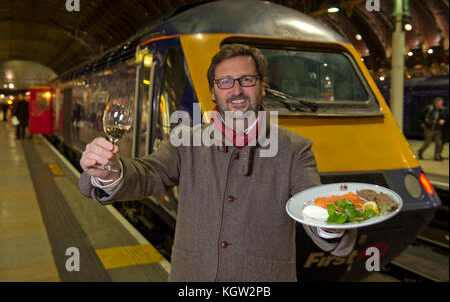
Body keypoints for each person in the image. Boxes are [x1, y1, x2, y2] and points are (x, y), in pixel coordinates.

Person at [78, 44, 357, 282]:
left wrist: (330, 220)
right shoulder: (184, 141)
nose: (236, 90)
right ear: (213, 92)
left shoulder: (295, 149)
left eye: (247, 79)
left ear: (263, 87)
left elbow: (311, 206)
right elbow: (149, 173)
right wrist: (111, 171)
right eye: (225, 82)